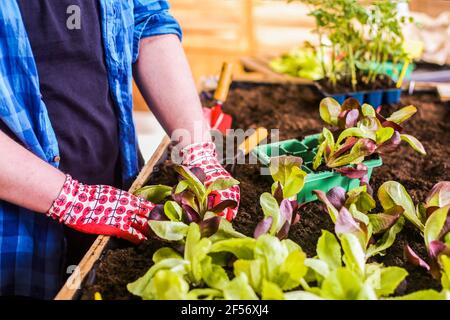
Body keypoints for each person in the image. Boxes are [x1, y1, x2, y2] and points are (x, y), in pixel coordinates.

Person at [0, 0, 239, 299]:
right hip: (17, 228)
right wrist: (69, 199)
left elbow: (148, 22)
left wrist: (198, 147)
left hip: (116, 184)